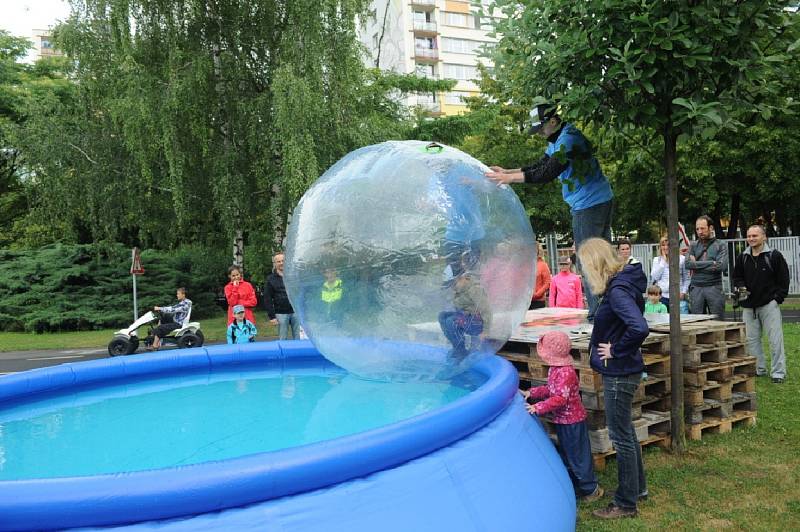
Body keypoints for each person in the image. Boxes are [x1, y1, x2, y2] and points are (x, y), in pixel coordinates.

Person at [485, 102, 613, 320]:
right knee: (602, 257)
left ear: (553, 121)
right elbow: (540, 164)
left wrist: (509, 179)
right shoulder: (560, 138)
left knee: (588, 258)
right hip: (597, 200)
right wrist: (509, 172)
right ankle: (610, 310)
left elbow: (548, 173)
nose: (540, 134)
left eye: (541, 128)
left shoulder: (568, 140)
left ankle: (599, 315)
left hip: (589, 204)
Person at [578, 238, 648, 519]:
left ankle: (625, 503)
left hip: (620, 373)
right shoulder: (621, 283)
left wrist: (616, 349)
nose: (584, 272)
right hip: (624, 369)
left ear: (595, 264)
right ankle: (637, 489)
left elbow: (639, 327)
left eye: (585, 265)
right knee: (627, 432)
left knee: (620, 437)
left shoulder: (617, 292)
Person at [522, 330, 603, 502]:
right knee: (568, 453)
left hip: (573, 422)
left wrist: (537, 407)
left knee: (578, 455)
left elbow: (559, 398)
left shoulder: (566, 373)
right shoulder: (555, 369)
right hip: (562, 421)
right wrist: (531, 392)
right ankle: (576, 484)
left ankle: (591, 489)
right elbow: (550, 390)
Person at [732, 224, 790, 384]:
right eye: (749, 236)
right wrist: (741, 288)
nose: (751, 239)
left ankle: (778, 373)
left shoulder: (774, 256)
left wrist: (777, 298)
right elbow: (736, 277)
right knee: (752, 340)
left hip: (769, 305)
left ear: (764, 237)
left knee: (775, 340)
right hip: (749, 306)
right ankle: (758, 369)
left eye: (754, 236)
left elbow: (784, 279)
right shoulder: (742, 256)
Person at [439, 273, 492, 362]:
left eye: (453, 284)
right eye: (450, 285)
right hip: (466, 318)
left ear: (461, 278)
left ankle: (461, 351)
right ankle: (456, 346)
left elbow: (487, 310)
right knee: (442, 316)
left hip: (477, 322)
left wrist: (486, 331)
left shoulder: (475, 289)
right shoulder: (460, 289)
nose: (452, 288)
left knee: (451, 321)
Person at [686, 216, 728, 318]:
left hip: (714, 287)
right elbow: (688, 264)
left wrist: (696, 265)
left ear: (711, 228)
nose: (700, 231)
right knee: (697, 322)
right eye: (697, 229)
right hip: (696, 287)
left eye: (703, 228)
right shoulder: (693, 246)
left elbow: (721, 266)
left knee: (718, 322)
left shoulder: (721, 245)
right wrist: (711, 263)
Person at [650, 236, 689, 313]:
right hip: (662, 297)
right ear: (660, 247)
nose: (666, 247)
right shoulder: (657, 260)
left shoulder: (681, 259)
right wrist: (663, 261)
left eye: (668, 245)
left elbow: (687, 278)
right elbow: (655, 277)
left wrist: (683, 292)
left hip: (678, 296)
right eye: (663, 245)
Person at [264, 252, 298, 340]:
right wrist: (272, 316)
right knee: (283, 339)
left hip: (296, 312)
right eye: (278, 261)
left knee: (299, 338)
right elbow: (267, 299)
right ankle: (284, 354)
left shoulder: (294, 275)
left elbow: (300, 293)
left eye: (283, 261)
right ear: (275, 264)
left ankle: (298, 354)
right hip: (281, 313)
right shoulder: (270, 279)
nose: (281, 263)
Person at [531, 242, 552, 309]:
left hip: (538, 301)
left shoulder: (543, 265)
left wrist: (537, 294)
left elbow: (547, 283)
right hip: (525, 302)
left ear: (538, 251)